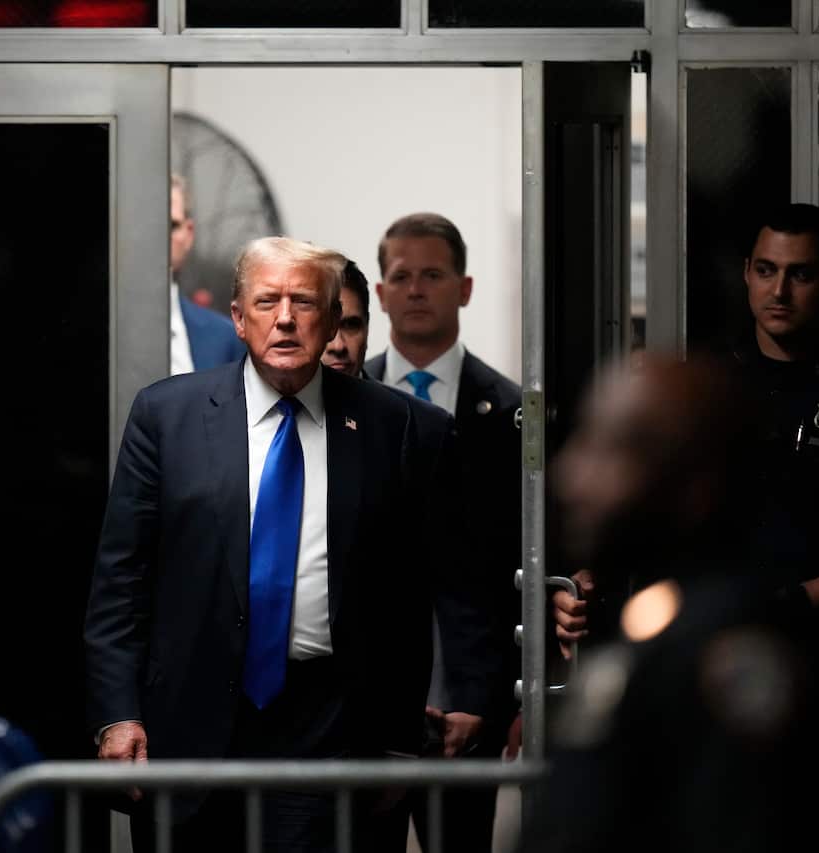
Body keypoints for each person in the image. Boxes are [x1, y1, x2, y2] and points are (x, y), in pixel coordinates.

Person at [85, 237, 458, 852]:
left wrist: (396, 739)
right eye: (266, 301)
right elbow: (120, 582)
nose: (285, 318)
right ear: (237, 318)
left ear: (334, 319)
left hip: (330, 726)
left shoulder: (397, 428)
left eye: (304, 302)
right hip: (189, 719)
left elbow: (408, 593)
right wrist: (116, 714)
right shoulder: (166, 417)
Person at [553, 204, 819, 743]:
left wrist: (795, 601)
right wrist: (590, 587)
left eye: (800, 274)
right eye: (765, 270)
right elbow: (646, 513)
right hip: (702, 662)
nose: (779, 291)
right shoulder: (704, 384)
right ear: (746, 272)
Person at [523, 355, 819, 853]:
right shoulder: (656, 633)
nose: (571, 475)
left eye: (610, 450)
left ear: (694, 485)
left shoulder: (729, 661)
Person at [364, 212, 520, 852]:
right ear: (380, 294)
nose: (417, 289)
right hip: (365, 711)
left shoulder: (514, 411)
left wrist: (508, 699)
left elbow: (520, 562)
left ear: (466, 287)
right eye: (402, 276)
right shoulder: (345, 403)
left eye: (434, 274)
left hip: (472, 702)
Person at [169, 173, 245, 374]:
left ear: (189, 233)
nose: (159, 235)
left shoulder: (226, 338)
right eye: (150, 225)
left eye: (171, 226)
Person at [321, 259, 371, 377]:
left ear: (367, 327)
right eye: (323, 326)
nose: (338, 346)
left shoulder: (388, 396)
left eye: (351, 325)